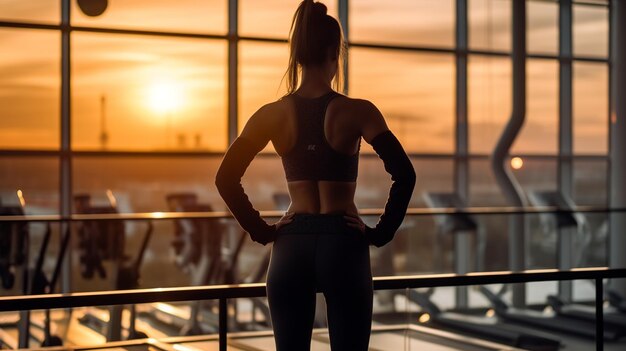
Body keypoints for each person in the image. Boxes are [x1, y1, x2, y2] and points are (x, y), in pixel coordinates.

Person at [215, 1, 416, 349]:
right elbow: (405, 175)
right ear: (332, 52)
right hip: (343, 242)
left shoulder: (271, 114)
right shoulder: (358, 111)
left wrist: (263, 231)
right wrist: (379, 233)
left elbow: (225, 178)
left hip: (291, 245)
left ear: (298, 54)